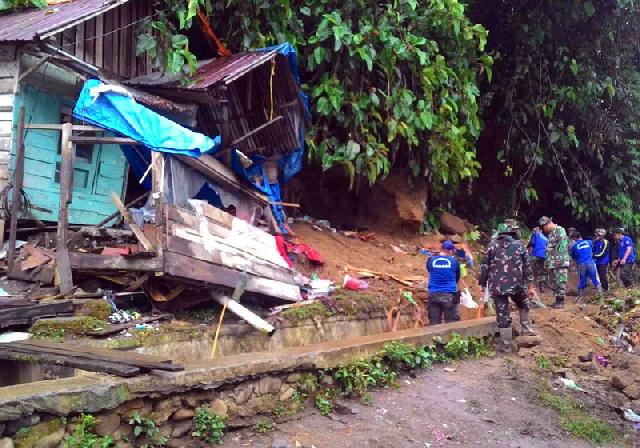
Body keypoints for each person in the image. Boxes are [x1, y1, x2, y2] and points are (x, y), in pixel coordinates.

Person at [479, 221, 537, 351]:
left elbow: (484, 268)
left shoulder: (491, 246)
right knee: (524, 303)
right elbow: (527, 268)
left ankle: (506, 343)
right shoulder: (520, 246)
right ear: (512, 232)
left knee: (502, 313)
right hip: (517, 285)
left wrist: (482, 285)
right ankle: (527, 328)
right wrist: (531, 287)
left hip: (497, 286)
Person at [426, 240, 461, 325]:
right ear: (451, 251)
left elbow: (429, 270)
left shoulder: (430, 260)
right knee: (452, 324)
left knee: (434, 324)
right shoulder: (454, 262)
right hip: (449, 295)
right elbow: (457, 276)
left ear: (441, 249)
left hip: (433, 294)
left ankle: (434, 338)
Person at [539, 216, 570, 309]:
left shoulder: (560, 230)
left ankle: (560, 302)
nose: (543, 229)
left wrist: (557, 261)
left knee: (560, 281)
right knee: (553, 282)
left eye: (543, 227)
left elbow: (563, 246)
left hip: (559, 262)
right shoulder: (551, 233)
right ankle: (557, 300)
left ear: (548, 223)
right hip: (553, 262)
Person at [570, 232, 602, 303]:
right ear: (580, 236)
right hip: (591, 263)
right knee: (595, 279)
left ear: (574, 238)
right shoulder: (589, 242)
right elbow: (594, 246)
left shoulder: (574, 246)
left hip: (581, 264)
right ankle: (601, 296)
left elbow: (573, 257)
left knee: (582, 280)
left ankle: (580, 298)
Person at [527, 226, 548, 308]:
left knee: (531, 271)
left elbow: (531, 243)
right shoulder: (545, 237)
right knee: (542, 271)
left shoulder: (535, 234)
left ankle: (532, 287)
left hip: (536, 255)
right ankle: (542, 288)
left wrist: (526, 247)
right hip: (544, 256)